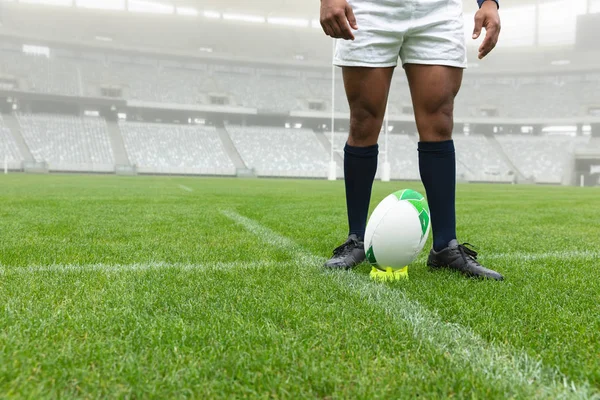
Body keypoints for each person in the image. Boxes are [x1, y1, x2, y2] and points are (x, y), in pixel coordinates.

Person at [321, 0, 504, 280]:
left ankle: (445, 246)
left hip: (438, 9)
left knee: (440, 120)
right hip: (369, 8)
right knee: (364, 120)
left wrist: (489, 2)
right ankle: (356, 239)